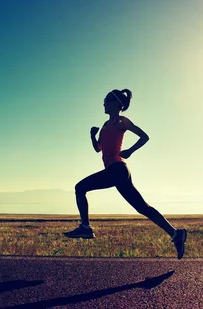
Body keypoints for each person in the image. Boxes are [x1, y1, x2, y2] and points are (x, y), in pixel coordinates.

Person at [64, 89, 187, 259]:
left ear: (116, 104)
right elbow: (98, 148)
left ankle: (85, 227)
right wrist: (92, 136)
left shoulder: (120, 121)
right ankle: (175, 233)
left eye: (106, 100)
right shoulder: (106, 126)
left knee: (80, 188)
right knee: (142, 208)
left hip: (118, 169)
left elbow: (144, 136)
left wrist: (130, 151)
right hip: (116, 171)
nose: (103, 103)